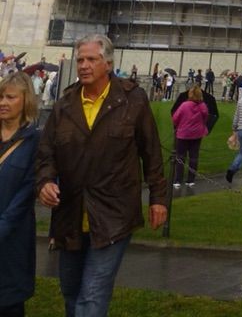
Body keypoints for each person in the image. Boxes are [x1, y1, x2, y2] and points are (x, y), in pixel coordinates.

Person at [36, 33, 168, 317]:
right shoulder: (65, 105)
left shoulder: (132, 100)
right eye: (80, 59)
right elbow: (46, 154)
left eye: (91, 59)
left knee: (92, 294)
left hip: (113, 214)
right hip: (71, 213)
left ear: (108, 63)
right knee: (71, 292)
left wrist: (159, 198)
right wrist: (45, 181)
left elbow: (151, 152)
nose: (84, 65)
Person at [0, 71, 40, 317]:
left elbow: (27, 192)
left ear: (25, 101)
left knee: (8, 303)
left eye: (10, 97)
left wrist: (2, 227)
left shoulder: (35, 141)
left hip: (13, 239)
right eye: (1, 97)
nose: (3, 103)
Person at [170, 85, 208, 188]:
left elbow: (175, 118)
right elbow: (205, 119)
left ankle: (178, 180)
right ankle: (190, 180)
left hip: (184, 134)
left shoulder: (184, 105)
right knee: (194, 157)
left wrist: (179, 125)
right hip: (197, 134)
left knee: (180, 157)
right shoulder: (203, 106)